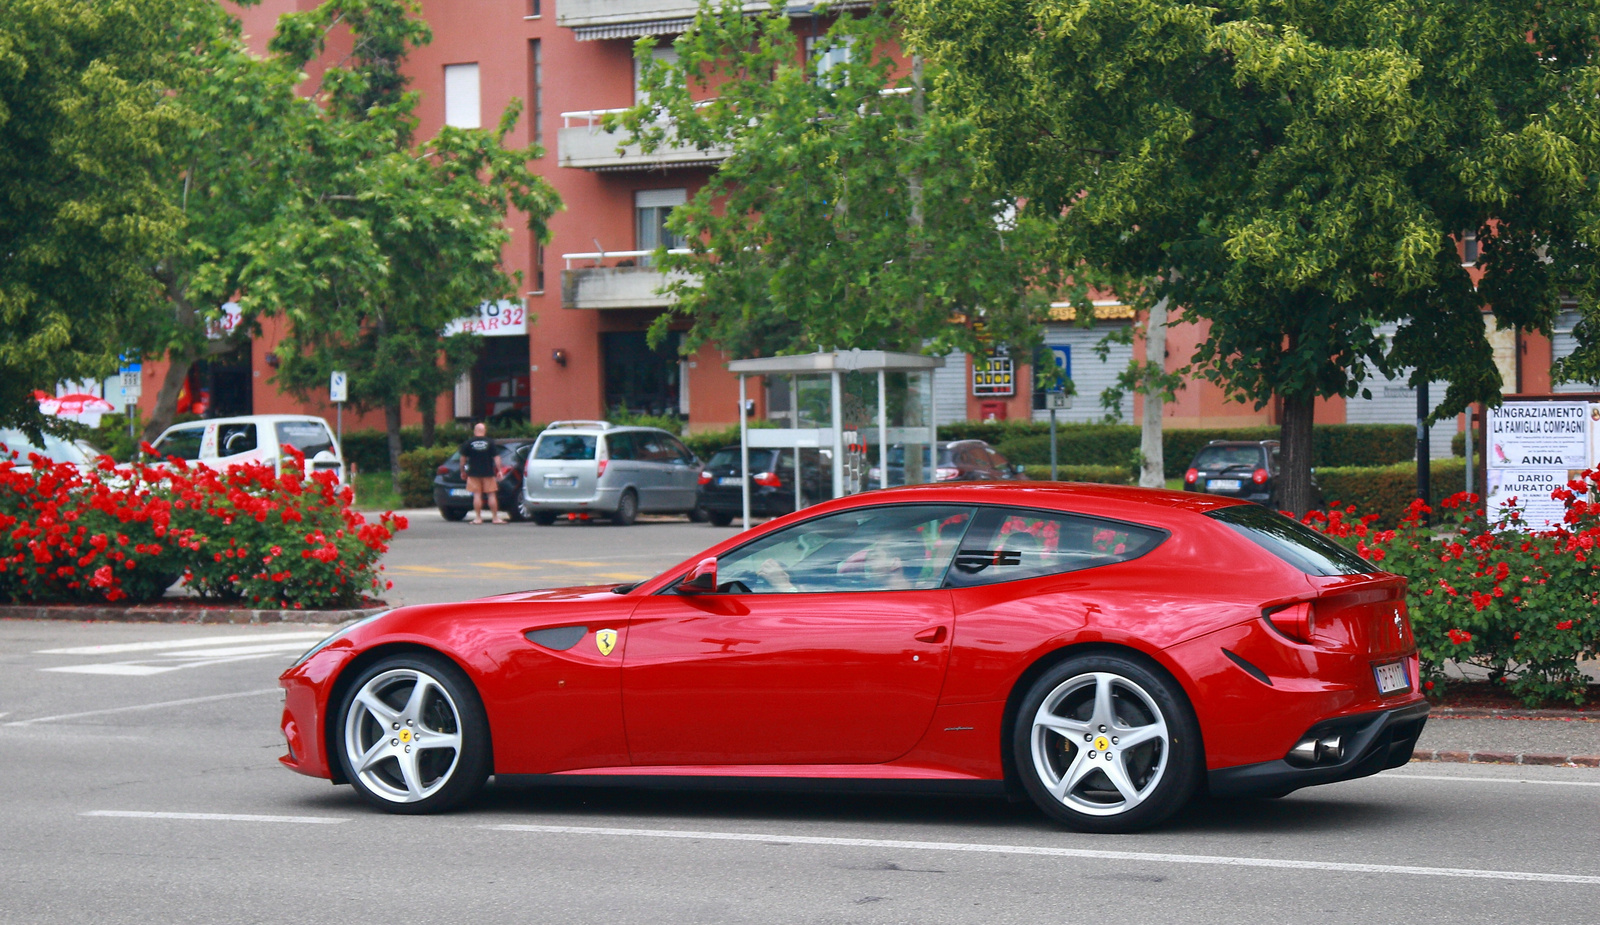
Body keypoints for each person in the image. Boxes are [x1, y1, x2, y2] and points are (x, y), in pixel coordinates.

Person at [458, 422, 506, 524]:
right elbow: (496, 457)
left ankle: (478, 518)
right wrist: (500, 470)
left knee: (477, 495)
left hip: (473, 473)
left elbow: (462, 458)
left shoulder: (468, 443)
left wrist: (462, 471)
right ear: (484, 431)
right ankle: (495, 518)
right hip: (488, 472)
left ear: (475, 431)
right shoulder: (490, 442)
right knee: (491, 495)